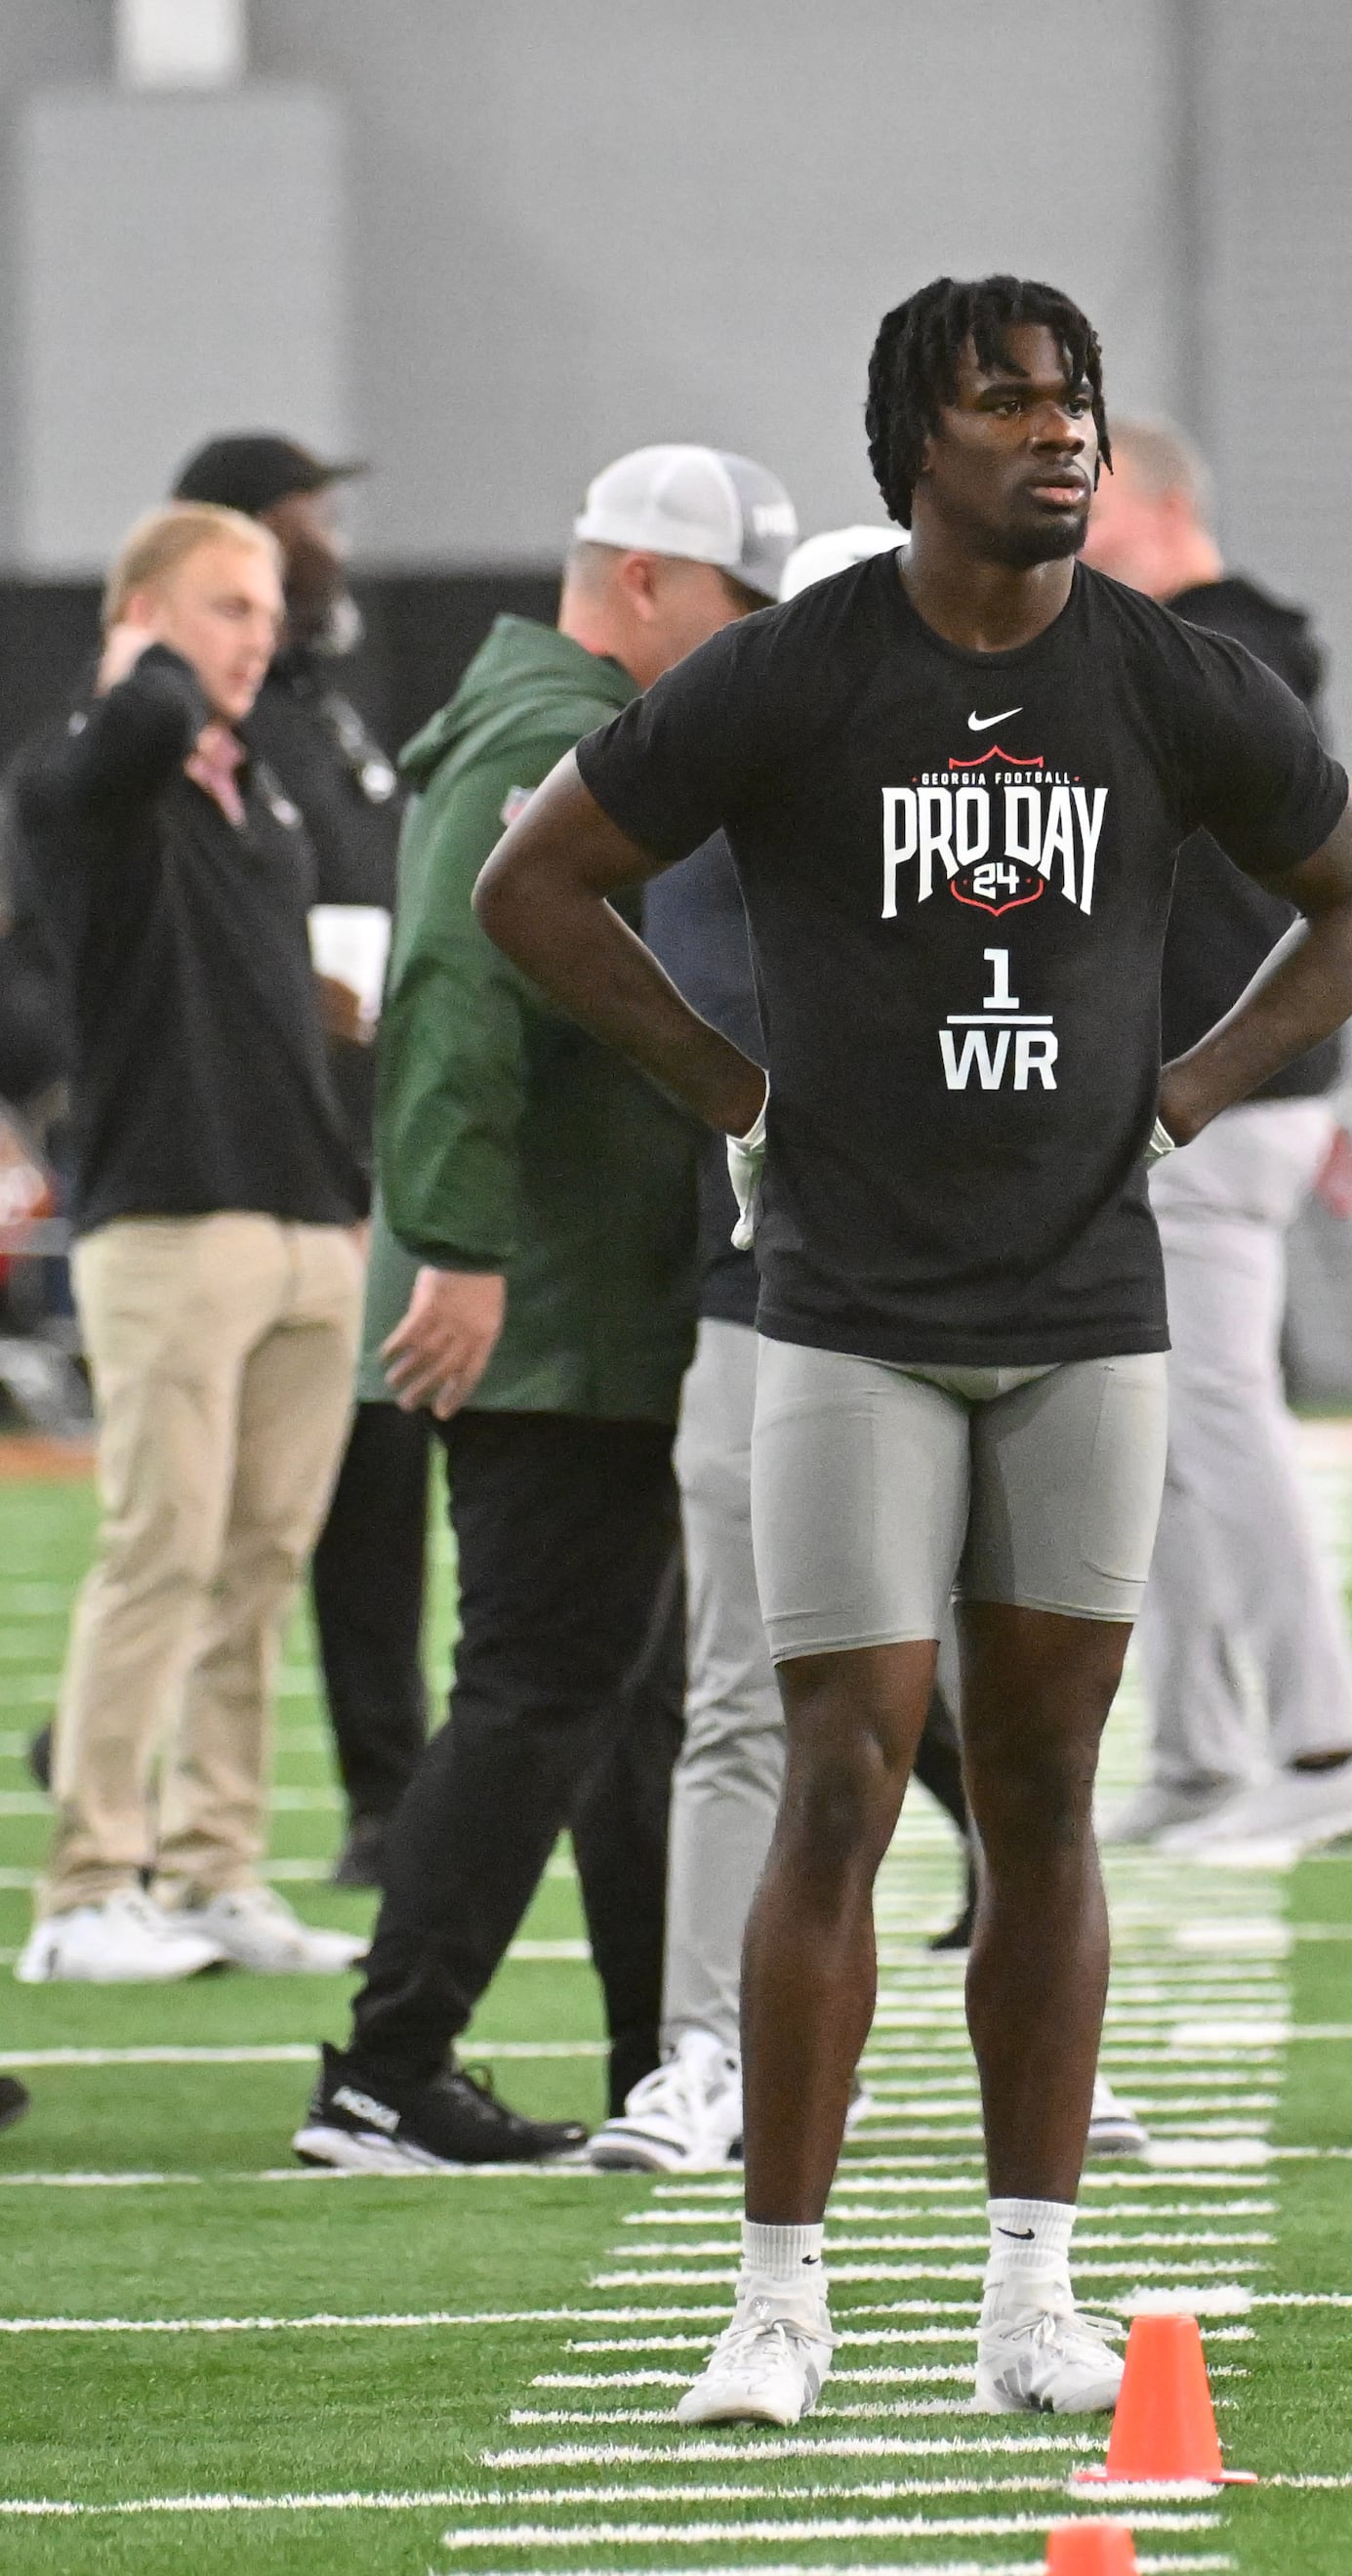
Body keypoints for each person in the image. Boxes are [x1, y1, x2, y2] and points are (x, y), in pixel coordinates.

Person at [477, 274, 1352, 2428]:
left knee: (1048, 1798)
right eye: (1006, 404)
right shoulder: (801, 668)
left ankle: (1030, 2291)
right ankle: (779, 2295)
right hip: (850, 1304)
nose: (1058, 435)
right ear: (917, 444)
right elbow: (540, 885)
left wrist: (1191, 1086)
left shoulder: (1167, 669)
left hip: (1084, 1300)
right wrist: (731, 1088)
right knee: (836, 1774)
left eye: (1071, 399)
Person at [594, 522, 1155, 2180]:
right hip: (777, 1293)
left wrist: (1144, 1091)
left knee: (1019, 1709)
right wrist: (760, 1103)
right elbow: (637, 937)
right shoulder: (755, 765)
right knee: (749, 1697)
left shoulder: (1031, 765)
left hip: (1017, 1295)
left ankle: (1045, 2037)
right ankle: (703, 2048)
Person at [292, 445, 796, 2168]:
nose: (746, 651)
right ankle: (388, 2060)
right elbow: (451, 996)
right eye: (734, 610)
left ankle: (673, 2051)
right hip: (546, 1306)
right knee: (543, 1680)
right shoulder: (540, 738)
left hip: (584, 1297)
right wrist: (458, 1242)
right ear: (644, 583)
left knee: (624, 1688)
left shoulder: (561, 721)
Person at [12, 503, 367, 1985]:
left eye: (271, 606)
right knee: (160, 1551)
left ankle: (215, 1866)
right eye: (230, 604)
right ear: (146, 613)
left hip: (301, 1216)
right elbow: (143, 709)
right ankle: (87, 1887)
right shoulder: (90, 768)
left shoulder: (254, 792)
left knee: (262, 1561)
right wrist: (154, 651)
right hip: (168, 1219)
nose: (261, 632)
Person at [1077, 415, 1352, 1858]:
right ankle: (1202, 1749)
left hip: (1217, 1095)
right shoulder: (1221, 648)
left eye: (1076, 511)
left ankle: (1326, 1743)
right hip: (1217, 1090)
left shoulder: (1210, 650)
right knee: (1162, 1436)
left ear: (1141, 506)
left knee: (1215, 1418)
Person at [170, 434, 430, 1893]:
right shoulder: (175, 736)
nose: (328, 545)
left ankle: (385, 1790)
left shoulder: (322, 711)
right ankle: (147, 1782)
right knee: (213, 1510)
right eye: (307, 520)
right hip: (246, 1161)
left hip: (361, 1143)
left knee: (352, 1487)